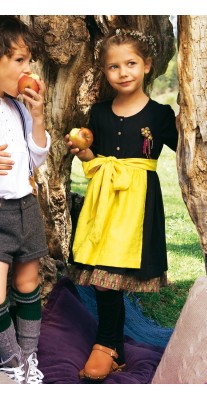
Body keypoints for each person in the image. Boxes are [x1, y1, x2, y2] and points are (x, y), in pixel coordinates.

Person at [65, 28, 178, 382]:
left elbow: (191, 151)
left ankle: (108, 344)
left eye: (131, 63)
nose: (123, 72)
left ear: (147, 65)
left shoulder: (160, 115)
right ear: (105, 72)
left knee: (117, 276)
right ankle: (111, 344)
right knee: (102, 278)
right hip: (104, 203)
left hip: (138, 203)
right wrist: (82, 151)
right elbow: (93, 158)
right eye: (114, 67)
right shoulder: (98, 113)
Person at [0, 16, 51, 384]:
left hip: (25, 205)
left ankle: (28, 358)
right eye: (19, 60)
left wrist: (37, 115)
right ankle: (10, 358)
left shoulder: (18, 107)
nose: (27, 69)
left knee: (29, 281)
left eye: (28, 61)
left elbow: (36, 157)